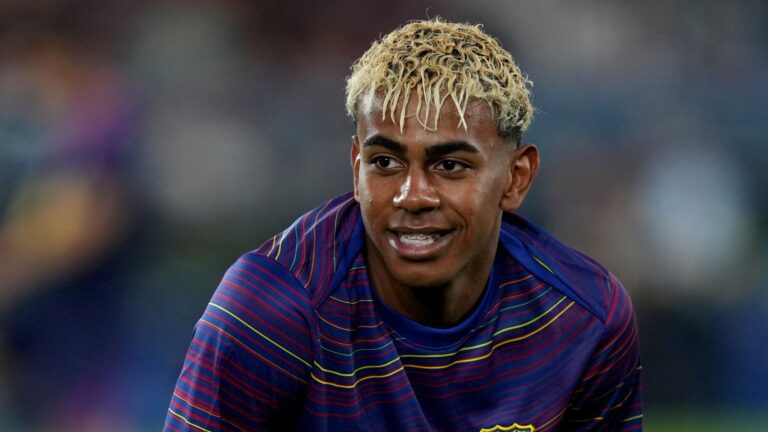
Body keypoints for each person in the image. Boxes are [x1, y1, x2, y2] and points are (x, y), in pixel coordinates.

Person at [164, 19, 642, 431]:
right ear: (356, 168)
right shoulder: (270, 311)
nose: (412, 196)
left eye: (450, 166)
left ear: (516, 179)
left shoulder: (585, 317)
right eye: (385, 162)